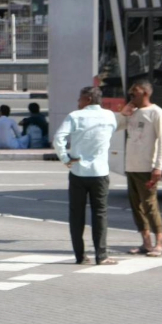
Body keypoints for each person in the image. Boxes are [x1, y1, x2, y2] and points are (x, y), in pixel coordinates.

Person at [53, 86, 119, 266]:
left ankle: (80, 256)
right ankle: (101, 256)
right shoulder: (109, 116)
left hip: (78, 172)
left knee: (76, 215)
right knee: (100, 214)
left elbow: (58, 138)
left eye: (80, 98)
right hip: (100, 173)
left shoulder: (75, 116)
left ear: (88, 99)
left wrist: (65, 158)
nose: (78, 102)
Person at [118, 79, 162, 257]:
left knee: (149, 205)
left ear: (145, 93)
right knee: (136, 206)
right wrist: (123, 114)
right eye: (131, 92)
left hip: (147, 167)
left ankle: (159, 244)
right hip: (131, 165)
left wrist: (158, 167)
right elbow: (115, 127)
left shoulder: (156, 112)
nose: (131, 95)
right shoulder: (133, 112)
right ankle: (146, 243)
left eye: (135, 92)